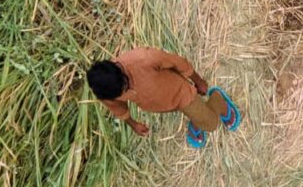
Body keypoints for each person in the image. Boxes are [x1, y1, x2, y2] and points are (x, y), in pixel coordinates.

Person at [86, 47, 241, 151]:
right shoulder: (106, 91)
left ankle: (218, 99)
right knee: (192, 113)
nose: (125, 91)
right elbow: (117, 107)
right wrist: (132, 124)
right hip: (163, 104)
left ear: (118, 70)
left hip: (182, 93)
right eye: (121, 93)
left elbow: (177, 62)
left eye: (125, 85)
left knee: (211, 124)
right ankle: (197, 118)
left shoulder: (144, 58)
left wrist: (198, 81)